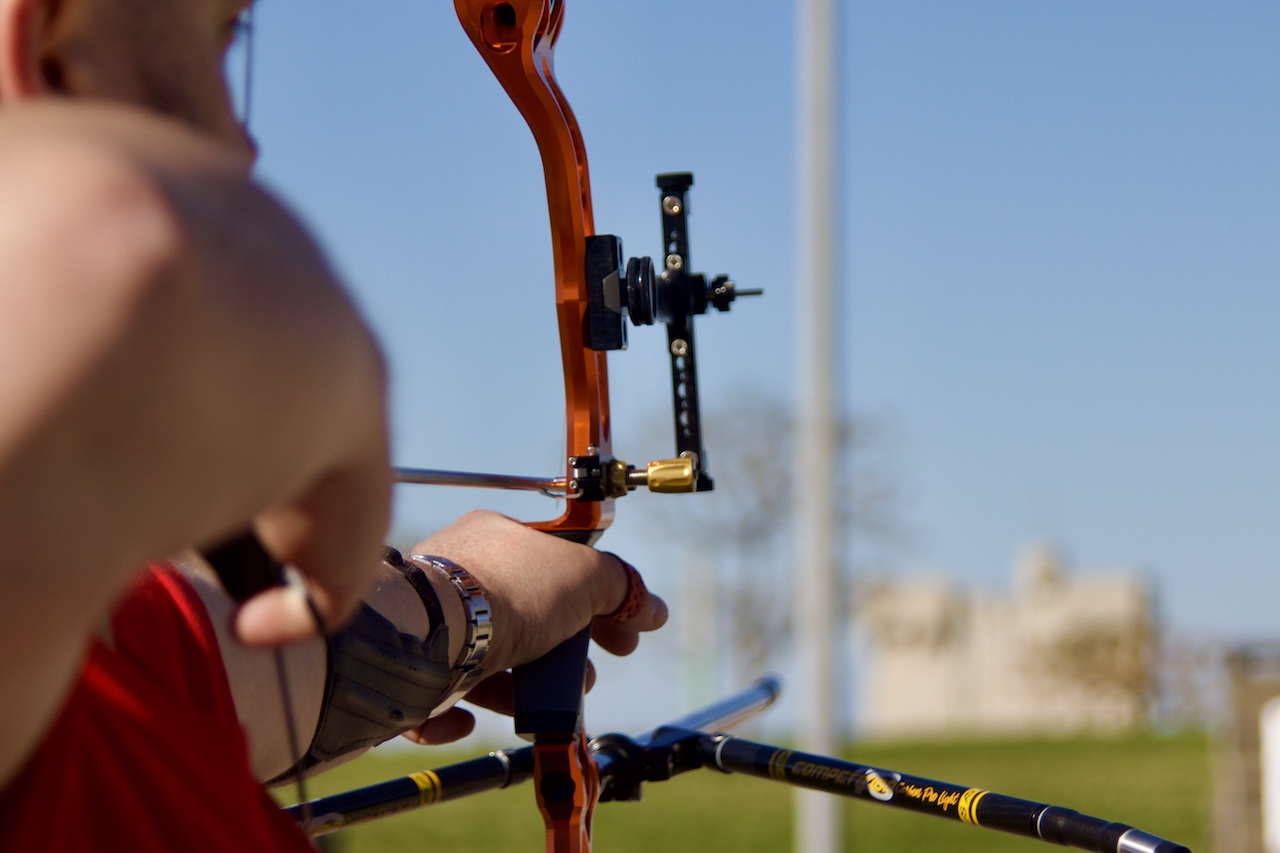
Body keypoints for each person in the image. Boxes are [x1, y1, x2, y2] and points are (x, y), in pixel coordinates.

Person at [0, 0, 666, 847]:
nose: (245, 150)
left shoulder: (82, 643)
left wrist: (467, 597)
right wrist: (229, 263)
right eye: (220, 37)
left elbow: (273, 652)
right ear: (53, 52)